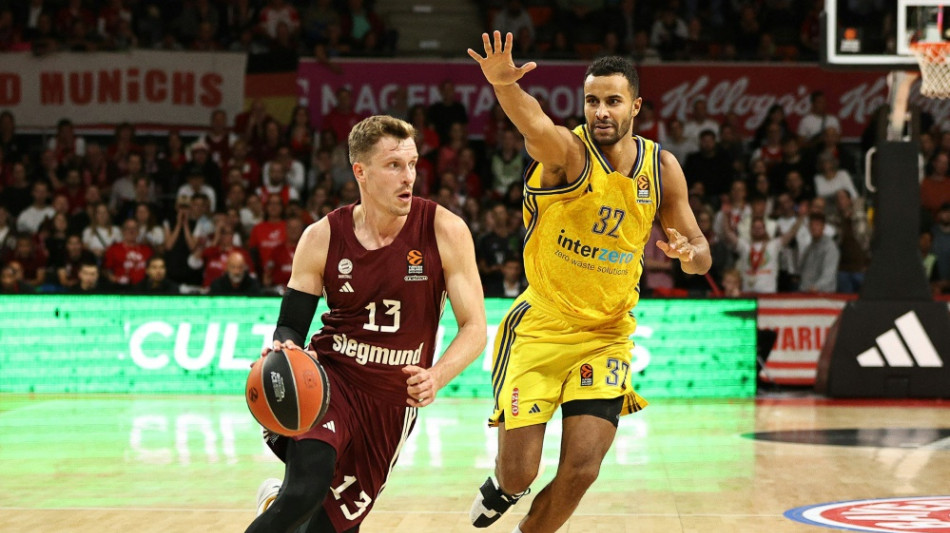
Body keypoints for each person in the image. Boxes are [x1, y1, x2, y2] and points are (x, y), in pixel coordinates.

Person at [466, 33, 711, 532]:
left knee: (583, 469)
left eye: (613, 101)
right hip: (540, 330)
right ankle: (503, 487)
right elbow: (533, 123)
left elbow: (702, 258)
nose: (601, 111)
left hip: (606, 337)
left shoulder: (661, 169)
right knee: (520, 472)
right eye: (592, 101)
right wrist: (504, 86)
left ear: (635, 106)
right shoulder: (569, 154)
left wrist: (690, 254)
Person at [245, 115, 487, 533]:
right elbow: (290, 327)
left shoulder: (444, 229)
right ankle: (284, 500)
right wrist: (283, 348)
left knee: (328, 527)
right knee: (303, 492)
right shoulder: (322, 236)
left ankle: (276, 500)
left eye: (412, 164)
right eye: (394, 165)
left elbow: (475, 328)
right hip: (330, 382)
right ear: (361, 171)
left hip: (391, 401)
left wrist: (436, 376)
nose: (408, 176)